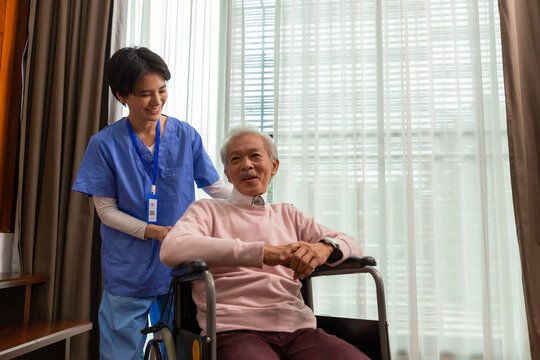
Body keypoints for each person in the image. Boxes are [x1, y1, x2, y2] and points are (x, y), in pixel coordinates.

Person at [72, 46, 231, 360]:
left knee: (182, 349)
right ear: (122, 95)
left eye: (162, 90)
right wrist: (153, 231)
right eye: (145, 94)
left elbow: (216, 189)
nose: (157, 100)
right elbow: (106, 212)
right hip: (128, 268)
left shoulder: (186, 136)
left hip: (178, 265)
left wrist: (261, 204)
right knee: (121, 354)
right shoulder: (104, 144)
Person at [159, 126, 370, 360]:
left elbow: (351, 242)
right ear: (228, 173)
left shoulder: (288, 214)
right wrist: (261, 253)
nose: (247, 164)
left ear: (274, 166)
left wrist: (324, 248)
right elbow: (171, 248)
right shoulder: (206, 210)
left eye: (255, 156)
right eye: (236, 159)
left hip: (297, 329)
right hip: (235, 330)